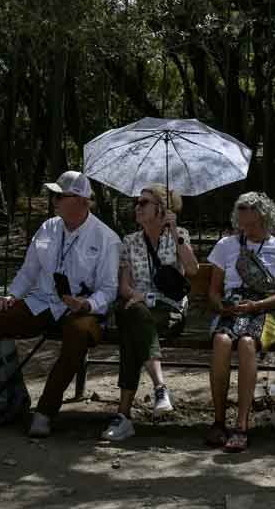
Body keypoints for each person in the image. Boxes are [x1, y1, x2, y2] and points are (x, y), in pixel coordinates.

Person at [0, 170, 121, 437]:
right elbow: (29, 270)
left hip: (81, 310)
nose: (54, 202)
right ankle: (12, 396)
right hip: (43, 302)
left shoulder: (106, 238)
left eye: (59, 196)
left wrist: (86, 304)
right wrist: (12, 295)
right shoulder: (47, 227)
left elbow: (109, 290)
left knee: (78, 331)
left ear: (79, 200)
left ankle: (46, 411)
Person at [101, 183, 199, 441]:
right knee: (134, 318)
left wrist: (175, 230)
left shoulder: (179, 236)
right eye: (137, 202)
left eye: (144, 203)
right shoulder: (130, 241)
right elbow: (124, 286)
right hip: (138, 309)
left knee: (131, 323)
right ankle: (159, 387)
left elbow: (192, 270)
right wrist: (139, 297)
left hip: (169, 311)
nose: (138, 207)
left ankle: (123, 416)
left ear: (161, 209)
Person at [204, 191, 275, 452]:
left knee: (247, 343)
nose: (247, 229)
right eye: (243, 223)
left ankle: (242, 425)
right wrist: (221, 306)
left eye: (253, 224)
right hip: (234, 306)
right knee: (222, 341)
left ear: (265, 220)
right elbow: (213, 290)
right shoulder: (226, 245)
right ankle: (219, 421)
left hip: (266, 310)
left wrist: (256, 305)